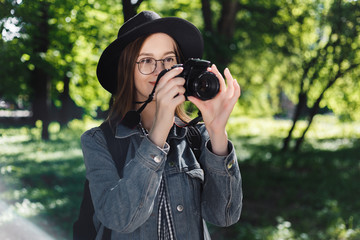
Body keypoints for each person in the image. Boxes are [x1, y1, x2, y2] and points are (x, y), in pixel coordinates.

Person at [81, 10, 242, 240]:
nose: (161, 70)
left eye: (169, 59)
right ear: (127, 70)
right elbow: (119, 218)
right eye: (146, 60)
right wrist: (158, 135)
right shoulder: (98, 141)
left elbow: (224, 216)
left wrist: (217, 133)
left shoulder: (197, 135)